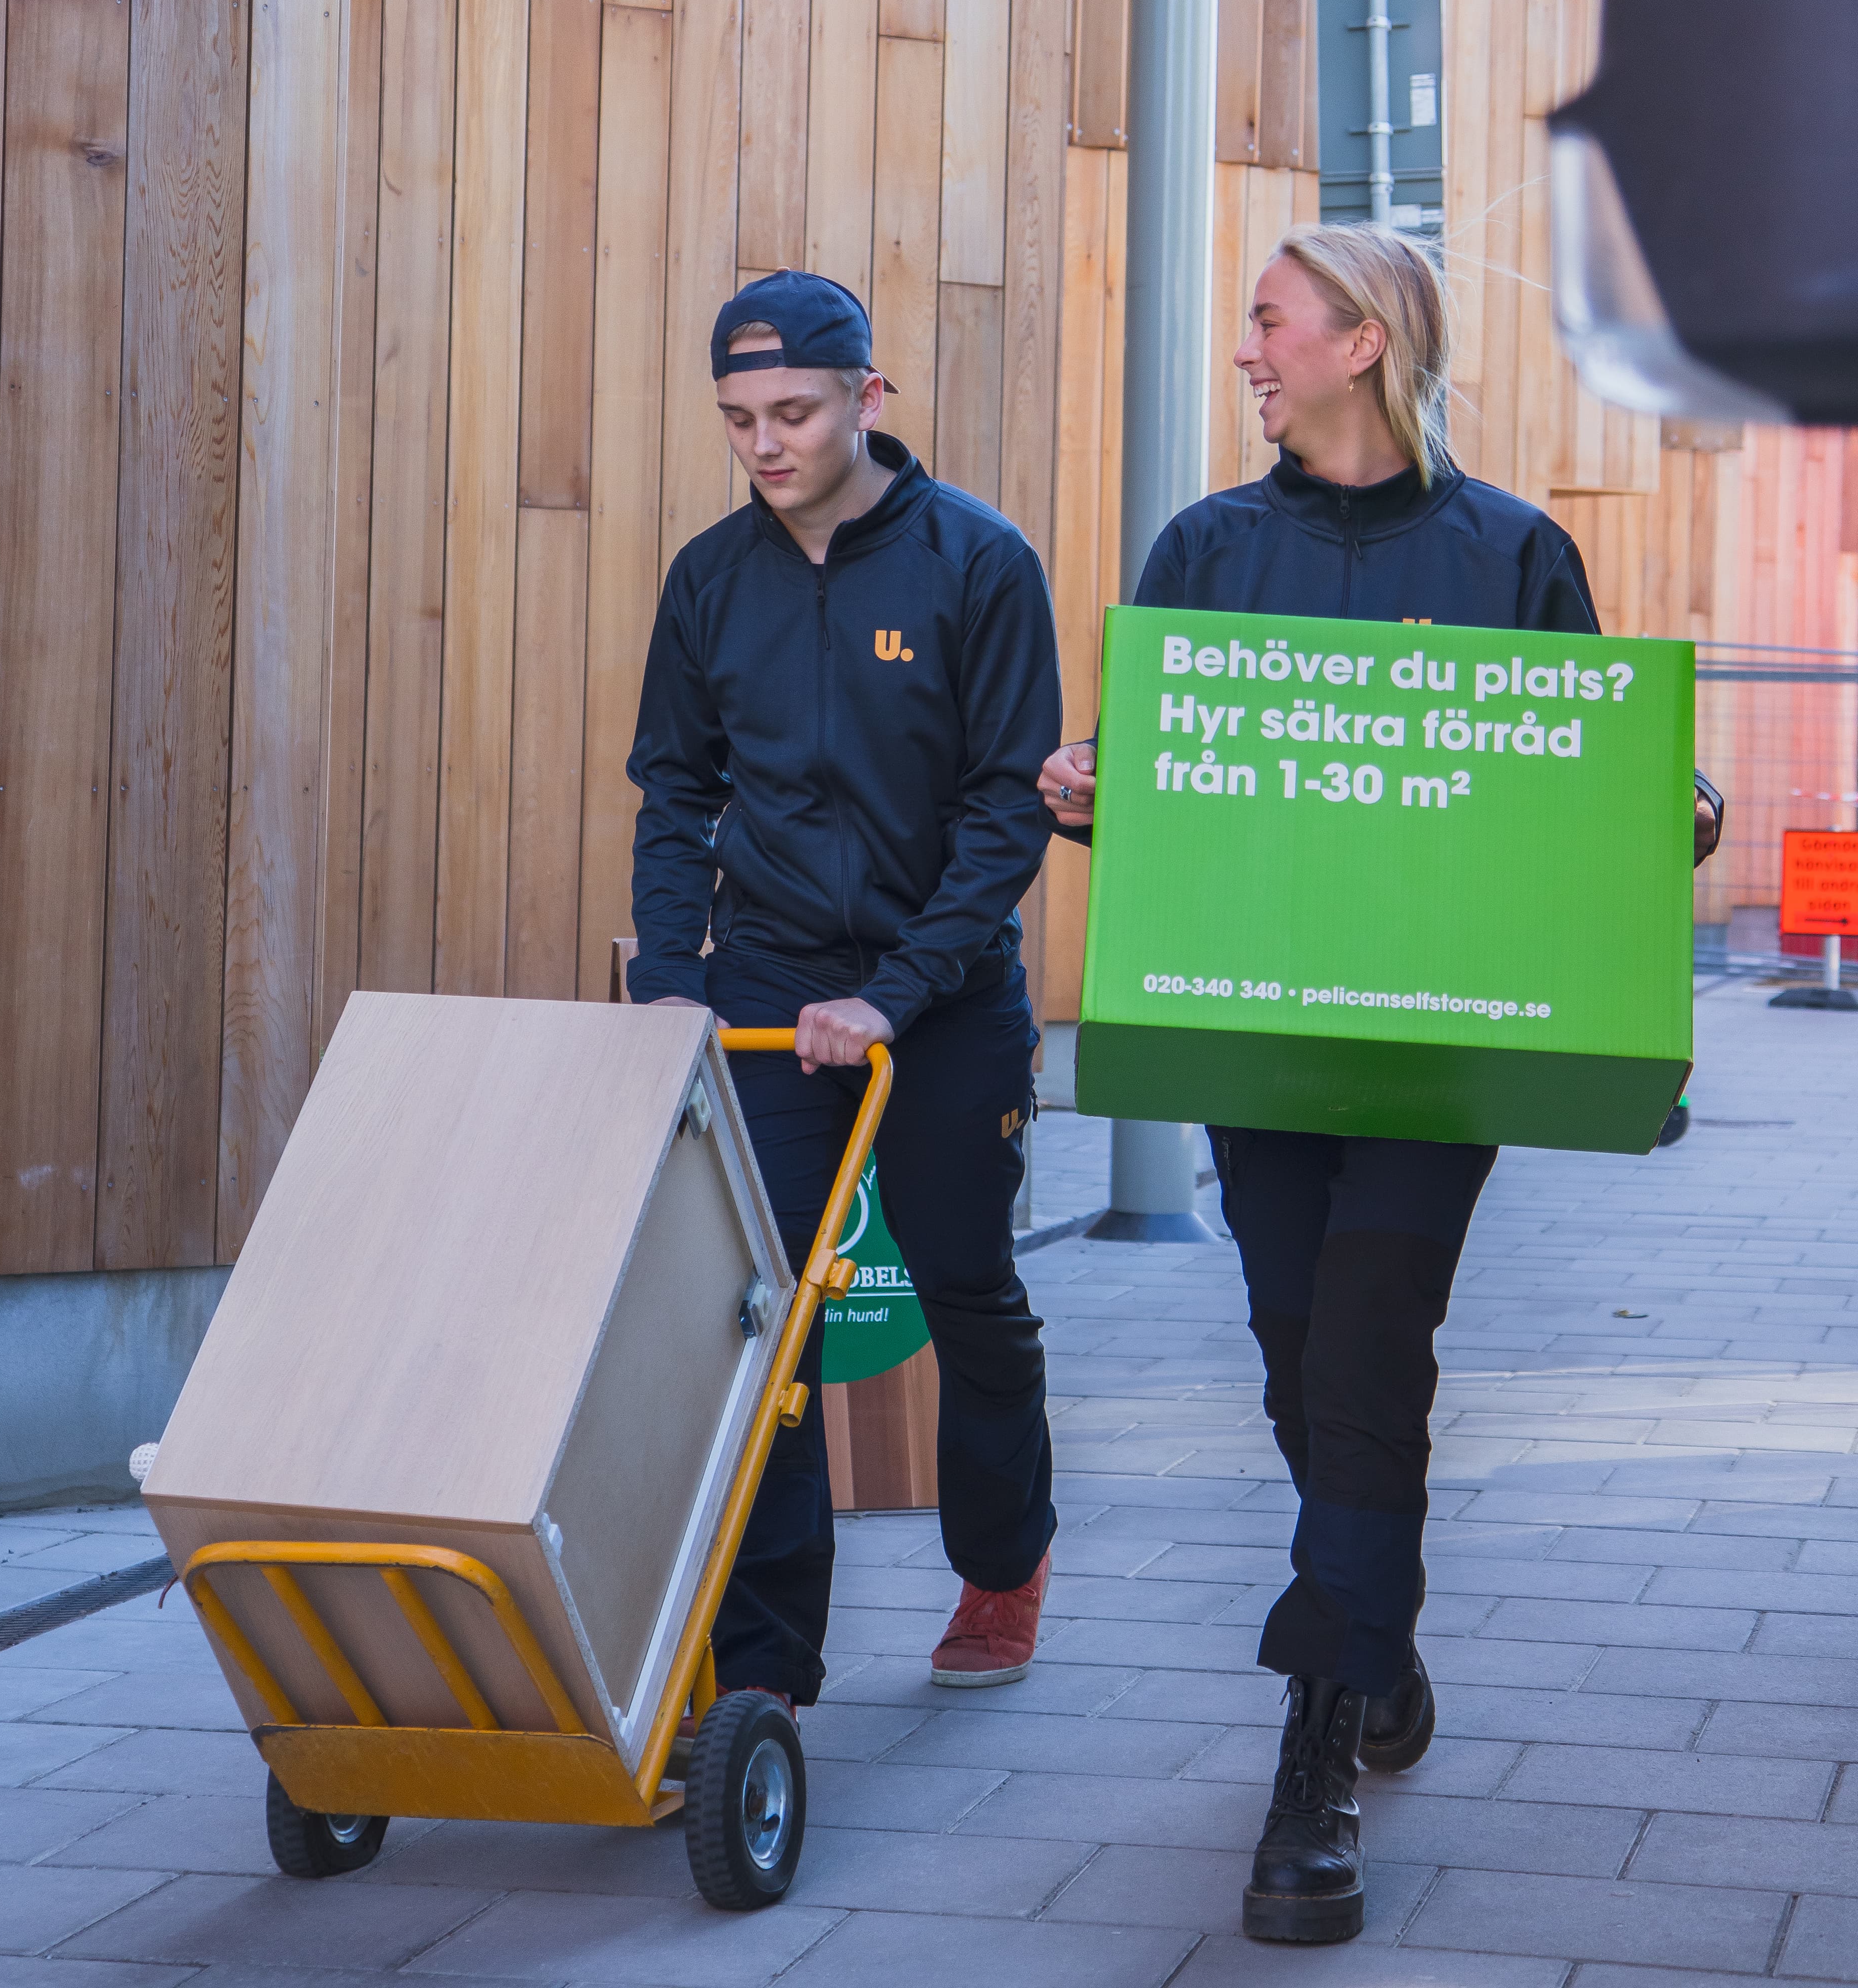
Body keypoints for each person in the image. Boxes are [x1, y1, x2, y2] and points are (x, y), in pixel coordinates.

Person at [1039, 224, 1720, 1947]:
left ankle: (1316, 1749)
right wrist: (1090, 785)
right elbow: (1167, 780)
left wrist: (1674, 806)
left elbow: (1585, 775)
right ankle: (1382, 1643)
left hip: (1439, 1052)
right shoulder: (1207, 548)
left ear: (1361, 339)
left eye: (1270, 321)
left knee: (1367, 1345)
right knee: (1295, 1349)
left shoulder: (1513, 552)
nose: (1249, 350)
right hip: (1255, 1042)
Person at [627, 270, 1062, 1714]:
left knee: (968, 1286)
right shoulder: (712, 578)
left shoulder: (977, 565)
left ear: (868, 400)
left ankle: (1003, 1560)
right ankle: (763, 1672)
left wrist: (898, 993)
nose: (766, 442)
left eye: (795, 412)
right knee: (757, 1317)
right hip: (766, 991)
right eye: (740, 418)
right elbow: (676, 792)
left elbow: (1008, 814)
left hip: (942, 998)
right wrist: (678, 982)